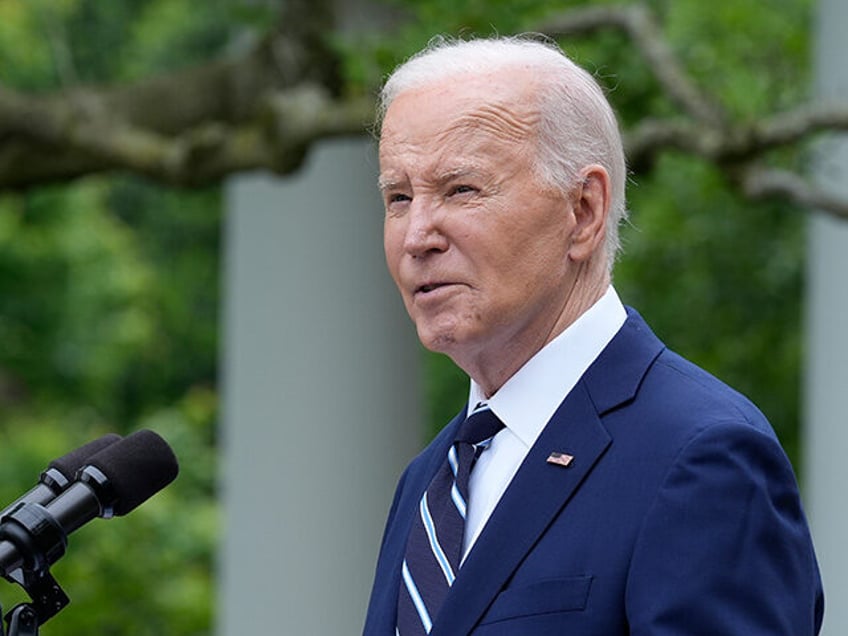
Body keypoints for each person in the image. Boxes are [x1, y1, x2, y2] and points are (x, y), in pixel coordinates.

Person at [363, 35, 823, 635]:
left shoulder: (703, 457)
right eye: (399, 197)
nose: (417, 234)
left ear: (583, 211)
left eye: (461, 189)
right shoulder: (429, 481)